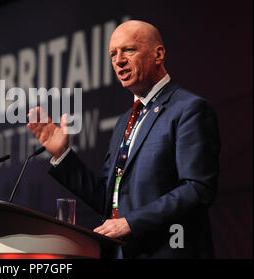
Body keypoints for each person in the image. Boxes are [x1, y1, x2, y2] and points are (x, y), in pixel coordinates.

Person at [27, 20, 220, 258]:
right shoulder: (124, 122)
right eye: (112, 54)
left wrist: (131, 222)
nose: (118, 61)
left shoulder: (188, 109)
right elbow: (107, 200)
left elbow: (197, 189)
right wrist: (62, 155)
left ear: (158, 54)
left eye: (129, 50)